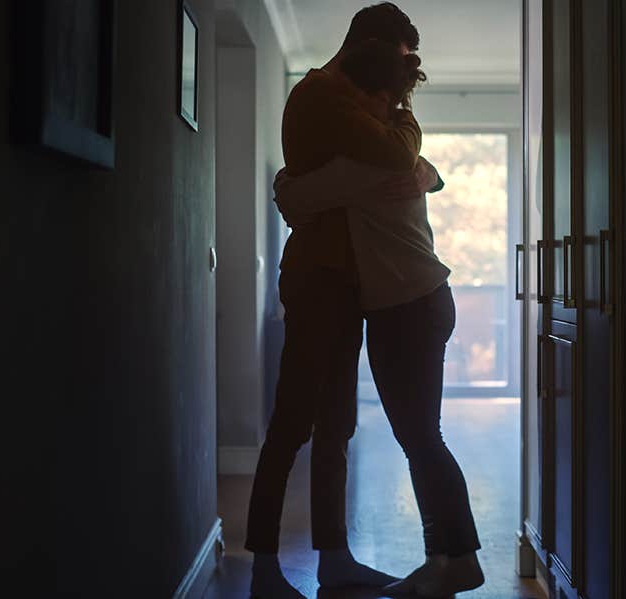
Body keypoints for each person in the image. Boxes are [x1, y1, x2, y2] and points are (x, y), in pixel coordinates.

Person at [272, 41, 485, 598]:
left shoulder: (372, 159)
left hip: (408, 306)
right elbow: (423, 171)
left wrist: (286, 184)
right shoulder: (397, 153)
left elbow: (292, 194)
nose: (355, 113)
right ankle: (445, 559)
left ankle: (455, 560)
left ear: (377, 99)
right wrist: (428, 173)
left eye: (365, 100)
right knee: (420, 435)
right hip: (415, 302)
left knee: (421, 436)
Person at [243, 4, 424, 599]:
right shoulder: (321, 95)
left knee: (337, 424)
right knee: (294, 420)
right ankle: (265, 567)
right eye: (398, 59)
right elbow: (399, 158)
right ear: (370, 46)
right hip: (318, 277)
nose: (401, 79)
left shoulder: (352, 99)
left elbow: (400, 165)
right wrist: (403, 125)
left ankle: (333, 559)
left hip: (348, 280)